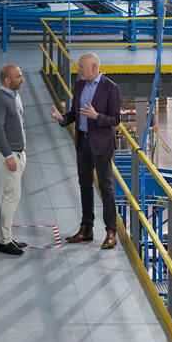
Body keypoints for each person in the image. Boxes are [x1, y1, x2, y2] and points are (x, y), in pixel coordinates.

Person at [50, 52, 121, 249]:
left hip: (102, 145)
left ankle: (111, 231)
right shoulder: (79, 85)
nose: (78, 69)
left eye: (81, 66)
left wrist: (97, 116)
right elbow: (75, 113)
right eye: (79, 66)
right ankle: (87, 228)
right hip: (83, 143)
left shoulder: (110, 88)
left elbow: (116, 119)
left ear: (94, 67)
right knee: (85, 186)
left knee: (106, 188)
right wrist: (62, 119)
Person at [0, 64, 29, 256]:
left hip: (17, 153)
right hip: (9, 155)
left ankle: (3, 238)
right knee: (12, 198)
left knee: (6, 197)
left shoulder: (15, 96)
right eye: (18, 77)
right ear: (7, 80)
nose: (22, 79)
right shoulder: (0, 100)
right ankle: (4, 241)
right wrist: (8, 156)